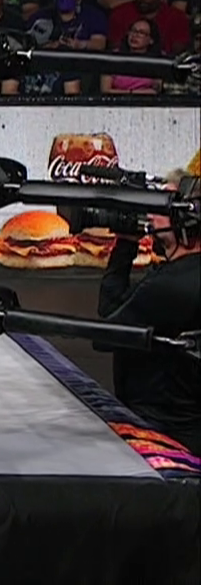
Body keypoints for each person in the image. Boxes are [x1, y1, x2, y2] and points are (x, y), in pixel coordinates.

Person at [95, 180, 201, 453]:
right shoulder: (178, 274)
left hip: (164, 438)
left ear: (186, 221)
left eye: (160, 207)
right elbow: (112, 309)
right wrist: (126, 243)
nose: (150, 215)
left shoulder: (172, 285)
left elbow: (104, 336)